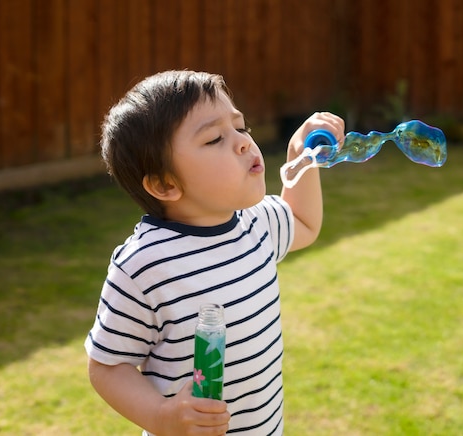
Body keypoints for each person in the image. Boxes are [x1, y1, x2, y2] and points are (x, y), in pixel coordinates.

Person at [84, 70, 344, 435]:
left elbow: (303, 221)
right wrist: (162, 415)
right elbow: (108, 367)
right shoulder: (144, 265)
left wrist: (300, 158)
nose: (242, 143)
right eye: (214, 139)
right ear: (164, 183)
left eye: (241, 127)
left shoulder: (256, 224)